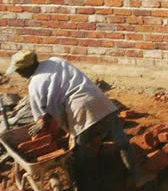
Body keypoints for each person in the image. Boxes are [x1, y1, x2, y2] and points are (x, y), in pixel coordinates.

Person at [5, 50, 136, 190]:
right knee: (121, 141)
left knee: (79, 155)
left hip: (80, 109)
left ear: (27, 68)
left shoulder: (35, 84)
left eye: (19, 71)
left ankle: (86, 187)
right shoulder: (56, 60)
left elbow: (43, 118)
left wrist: (43, 124)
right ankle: (135, 175)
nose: (19, 74)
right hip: (99, 99)